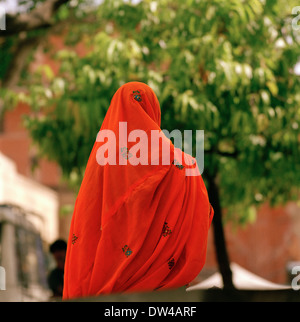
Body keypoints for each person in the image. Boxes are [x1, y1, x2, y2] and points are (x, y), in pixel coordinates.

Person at [63, 82, 213, 299]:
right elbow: (198, 221)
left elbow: (87, 225)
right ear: (154, 111)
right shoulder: (185, 164)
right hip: (166, 292)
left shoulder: (101, 165)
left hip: (104, 294)